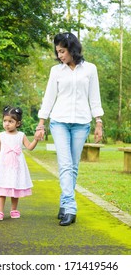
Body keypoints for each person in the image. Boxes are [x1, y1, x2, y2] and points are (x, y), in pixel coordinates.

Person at [35, 32, 104, 226]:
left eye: (62, 51)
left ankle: (64, 204)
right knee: (65, 164)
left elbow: (94, 97)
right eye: (57, 52)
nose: (60, 56)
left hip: (82, 123)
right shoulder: (56, 71)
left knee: (73, 167)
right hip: (59, 122)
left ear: (72, 49)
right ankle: (70, 207)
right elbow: (48, 98)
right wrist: (41, 123)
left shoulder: (90, 69)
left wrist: (98, 122)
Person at [0, 105, 39, 221]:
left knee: (15, 187)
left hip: (16, 167)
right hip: (3, 166)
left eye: (10, 121)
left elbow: (29, 147)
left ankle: (14, 209)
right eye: (5, 121)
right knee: (2, 187)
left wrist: (36, 139)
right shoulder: (1, 136)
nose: (7, 124)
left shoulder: (21, 135)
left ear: (17, 123)